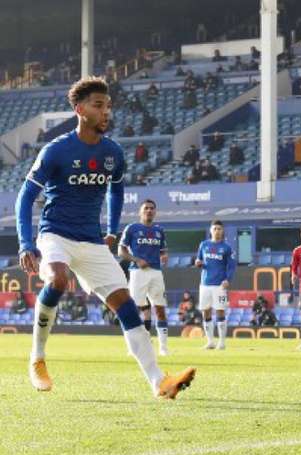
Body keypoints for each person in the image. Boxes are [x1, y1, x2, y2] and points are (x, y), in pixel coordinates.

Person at [15, 76, 195, 399]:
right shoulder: (56, 151)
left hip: (92, 242)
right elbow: (25, 197)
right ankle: (37, 358)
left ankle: (159, 382)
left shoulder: (113, 153)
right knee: (57, 280)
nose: (106, 112)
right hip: (55, 235)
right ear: (79, 109)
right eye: (99, 106)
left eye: (108, 106)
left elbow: (117, 190)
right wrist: (26, 243)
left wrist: (111, 230)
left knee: (125, 305)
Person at [118, 199, 170, 356]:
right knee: (133, 310)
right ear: (140, 212)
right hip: (137, 273)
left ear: (155, 212)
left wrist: (164, 255)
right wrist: (136, 260)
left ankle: (163, 348)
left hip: (156, 272)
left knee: (160, 309)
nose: (149, 210)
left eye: (152, 208)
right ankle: (132, 347)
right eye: (146, 208)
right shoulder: (132, 228)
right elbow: (121, 252)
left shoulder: (159, 230)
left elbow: (163, 250)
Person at [195, 220, 235, 350]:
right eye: (215, 228)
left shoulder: (227, 247)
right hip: (205, 284)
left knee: (220, 310)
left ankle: (222, 342)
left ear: (222, 231)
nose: (217, 231)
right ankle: (210, 341)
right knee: (205, 311)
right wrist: (198, 263)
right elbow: (199, 259)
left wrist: (227, 279)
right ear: (211, 230)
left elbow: (231, 266)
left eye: (219, 229)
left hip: (219, 285)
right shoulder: (204, 245)